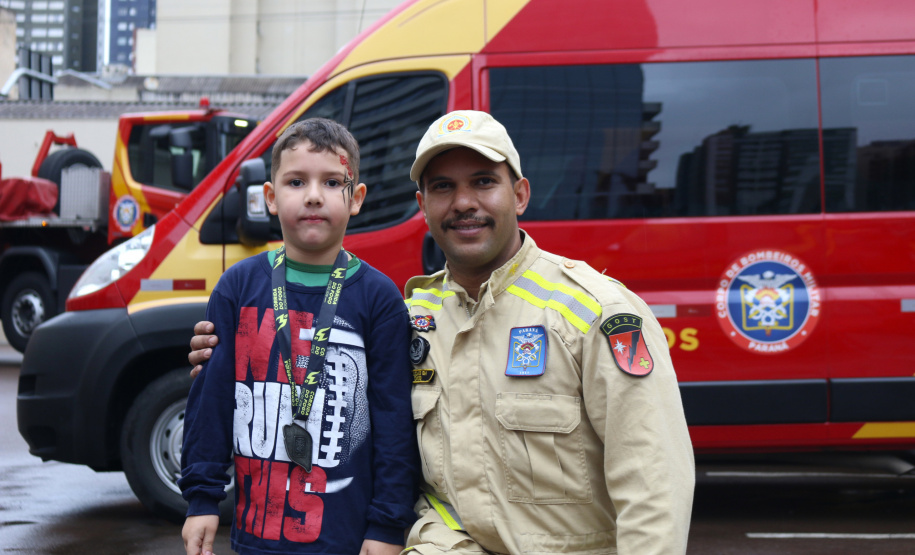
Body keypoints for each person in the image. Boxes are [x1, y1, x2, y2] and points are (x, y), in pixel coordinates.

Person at [191, 111, 695, 554]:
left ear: (519, 194)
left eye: (482, 182)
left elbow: (654, 484)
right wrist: (219, 356)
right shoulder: (413, 313)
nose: (463, 203)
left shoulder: (593, 311)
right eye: (443, 187)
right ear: (423, 204)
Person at [180, 118, 417, 555]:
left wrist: (387, 525)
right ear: (270, 198)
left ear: (356, 198)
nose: (313, 195)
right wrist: (202, 498)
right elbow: (210, 402)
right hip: (255, 538)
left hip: (345, 539)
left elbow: (393, 420)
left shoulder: (379, 298)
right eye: (295, 181)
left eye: (332, 182)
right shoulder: (236, 288)